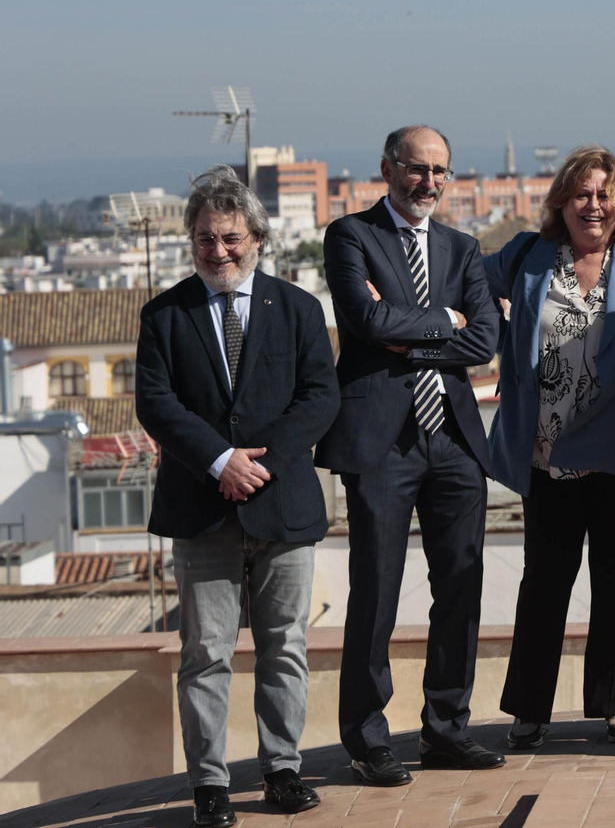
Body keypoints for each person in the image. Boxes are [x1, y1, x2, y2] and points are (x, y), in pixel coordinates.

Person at [136, 165, 340, 828]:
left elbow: (320, 397)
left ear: (257, 238)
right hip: (202, 509)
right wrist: (220, 461)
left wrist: (258, 466)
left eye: (230, 238)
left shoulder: (300, 309)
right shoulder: (164, 315)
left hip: (283, 506)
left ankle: (282, 770)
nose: (217, 251)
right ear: (191, 241)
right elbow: (155, 403)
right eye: (205, 239)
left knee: (285, 647)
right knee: (205, 654)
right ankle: (210, 784)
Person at [483, 145, 615, 749]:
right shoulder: (527, 255)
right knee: (544, 580)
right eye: (581, 193)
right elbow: (467, 279)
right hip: (548, 450)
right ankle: (530, 711)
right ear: (561, 201)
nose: (594, 206)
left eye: (605, 194)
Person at [318, 124, 503, 785]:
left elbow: (484, 340)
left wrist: (411, 333)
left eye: (440, 171)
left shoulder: (462, 247)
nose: (429, 182)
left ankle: (447, 731)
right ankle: (368, 739)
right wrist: (444, 321)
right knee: (376, 591)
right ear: (388, 169)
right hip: (380, 441)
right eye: (417, 168)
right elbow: (365, 322)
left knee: (460, 587)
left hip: (453, 437)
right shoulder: (350, 236)